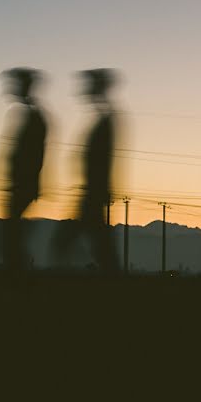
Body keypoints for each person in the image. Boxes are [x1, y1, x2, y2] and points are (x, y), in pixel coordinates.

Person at [53, 69, 119, 273]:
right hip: (92, 191)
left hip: (93, 192)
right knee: (100, 243)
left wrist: (101, 188)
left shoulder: (105, 121)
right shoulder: (104, 119)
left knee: (66, 242)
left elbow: (104, 159)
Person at [0, 67, 48, 273]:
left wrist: (23, 181)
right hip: (21, 185)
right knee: (11, 236)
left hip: (22, 185)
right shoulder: (30, 114)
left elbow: (34, 155)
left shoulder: (33, 117)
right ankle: (19, 276)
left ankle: (20, 279)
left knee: (11, 237)